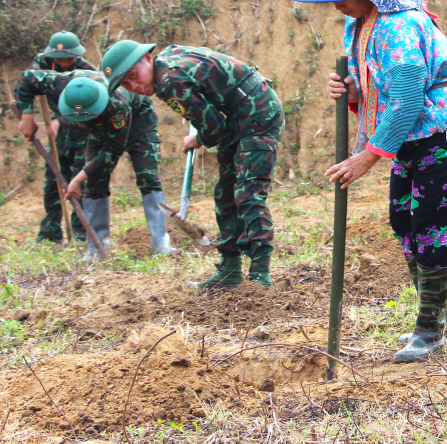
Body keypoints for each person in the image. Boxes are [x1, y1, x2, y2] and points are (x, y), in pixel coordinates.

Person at [291, 0, 447, 363]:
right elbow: (378, 85)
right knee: (403, 220)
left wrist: (367, 156)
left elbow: (409, 97)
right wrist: (351, 90)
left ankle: (430, 331)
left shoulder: (399, 24)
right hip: (411, 132)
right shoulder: (359, 23)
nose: (336, 3)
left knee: (432, 226)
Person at [100, 40, 284, 288]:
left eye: (133, 75)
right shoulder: (167, 61)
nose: (134, 86)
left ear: (147, 58)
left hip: (257, 112)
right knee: (225, 194)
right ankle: (230, 270)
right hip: (238, 114)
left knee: (248, 194)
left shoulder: (169, 81)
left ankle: (260, 276)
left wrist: (199, 139)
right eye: (125, 84)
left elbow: (214, 128)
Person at [15, 70, 175, 260]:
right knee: (94, 181)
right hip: (100, 125)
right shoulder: (60, 83)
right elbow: (27, 78)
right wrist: (26, 114)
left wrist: (77, 180)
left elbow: (112, 151)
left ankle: (160, 241)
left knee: (147, 174)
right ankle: (96, 248)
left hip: (139, 118)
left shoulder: (116, 105)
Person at [25, 31, 96, 244]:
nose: (64, 63)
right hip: (58, 135)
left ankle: (80, 232)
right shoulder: (42, 63)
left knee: (79, 183)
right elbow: (27, 83)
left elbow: (92, 105)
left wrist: (60, 121)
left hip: (83, 130)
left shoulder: (87, 72)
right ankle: (50, 233)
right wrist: (27, 114)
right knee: (53, 181)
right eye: (59, 58)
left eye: (68, 58)